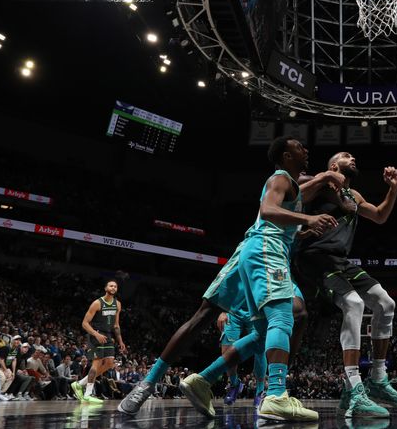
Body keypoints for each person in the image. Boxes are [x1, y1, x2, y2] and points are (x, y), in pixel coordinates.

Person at [118, 136, 341, 422]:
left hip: (248, 253)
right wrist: (312, 212)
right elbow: (268, 210)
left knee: (231, 320)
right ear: (286, 156)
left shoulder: (292, 190)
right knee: (285, 314)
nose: (306, 150)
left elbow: (291, 206)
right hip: (264, 251)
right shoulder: (281, 177)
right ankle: (275, 394)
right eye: (299, 147)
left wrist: (304, 229)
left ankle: (198, 380)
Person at [294, 152, 397, 418]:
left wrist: (394, 189)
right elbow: (293, 195)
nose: (354, 157)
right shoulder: (320, 183)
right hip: (314, 258)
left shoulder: (354, 195)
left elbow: (381, 216)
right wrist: (324, 178)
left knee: (386, 303)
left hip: (341, 261)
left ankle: (378, 380)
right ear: (334, 165)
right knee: (354, 303)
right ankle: (354, 386)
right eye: (347, 156)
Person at [72, 279, 126, 404]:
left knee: (109, 363)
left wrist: (121, 341)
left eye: (115, 286)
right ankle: (87, 394)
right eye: (111, 286)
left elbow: (116, 325)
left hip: (107, 335)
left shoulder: (117, 304)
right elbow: (84, 323)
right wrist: (96, 334)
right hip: (95, 334)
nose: (113, 288)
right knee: (96, 364)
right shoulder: (97, 303)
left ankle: (79, 384)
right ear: (105, 288)